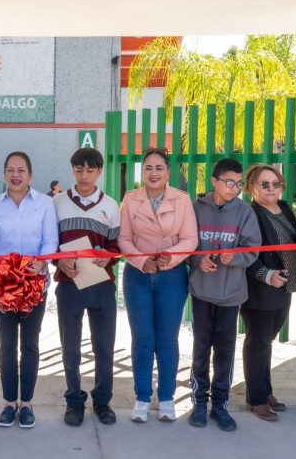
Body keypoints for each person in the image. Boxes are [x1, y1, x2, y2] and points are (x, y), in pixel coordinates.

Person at [119, 148, 198, 423]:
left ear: (168, 172)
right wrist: (143, 261)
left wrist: (170, 257)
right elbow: (124, 239)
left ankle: (166, 398)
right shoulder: (130, 199)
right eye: (148, 168)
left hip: (172, 275)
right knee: (142, 338)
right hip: (137, 276)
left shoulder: (182, 199)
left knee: (167, 339)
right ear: (142, 172)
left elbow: (190, 239)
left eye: (159, 168)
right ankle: (142, 397)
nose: (153, 173)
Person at [0, 151, 58, 429]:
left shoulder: (45, 203)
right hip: (4, 287)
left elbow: (50, 239)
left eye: (21, 170)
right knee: (7, 345)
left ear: (30, 175)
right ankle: (9, 402)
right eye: (11, 170)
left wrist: (42, 261)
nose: (16, 175)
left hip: (35, 284)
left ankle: (26, 403)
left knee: (30, 345)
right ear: (4, 174)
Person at [187, 158, 261, 432]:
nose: (234, 188)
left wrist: (236, 257)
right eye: (229, 182)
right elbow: (184, 245)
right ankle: (198, 401)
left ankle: (220, 403)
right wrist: (198, 260)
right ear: (214, 181)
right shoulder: (195, 209)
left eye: (239, 184)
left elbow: (253, 249)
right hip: (202, 292)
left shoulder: (244, 212)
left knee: (225, 350)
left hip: (231, 294)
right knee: (201, 347)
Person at [53, 148, 121, 427]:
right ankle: (74, 401)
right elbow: (49, 242)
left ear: (99, 172)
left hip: (101, 284)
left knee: (104, 347)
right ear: (72, 170)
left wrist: (107, 256)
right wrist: (59, 259)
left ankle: (102, 401)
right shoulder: (57, 203)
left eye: (90, 170)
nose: (84, 175)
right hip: (69, 284)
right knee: (70, 348)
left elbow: (116, 245)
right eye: (79, 169)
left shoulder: (111, 206)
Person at [242, 164, 296, 422]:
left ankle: (265, 391)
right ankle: (256, 398)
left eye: (275, 184)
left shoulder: (285, 208)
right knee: (258, 341)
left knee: (267, 340)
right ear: (252, 187)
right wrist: (266, 274)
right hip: (260, 287)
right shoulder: (250, 214)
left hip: (285, 284)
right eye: (264, 184)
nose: (270, 189)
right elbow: (245, 253)